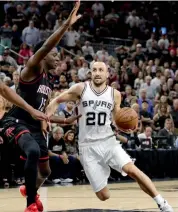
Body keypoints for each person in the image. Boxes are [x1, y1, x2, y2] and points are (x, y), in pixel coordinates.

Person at [46, 61, 173, 212]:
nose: (97, 73)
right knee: (104, 196)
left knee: (133, 171)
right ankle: (104, 169)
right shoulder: (81, 88)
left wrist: (127, 127)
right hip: (87, 147)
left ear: (107, 74)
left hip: (108, 142)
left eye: (101, 70)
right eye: (94, 70)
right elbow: (56, 100)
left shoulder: (115, 94)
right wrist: (46, 117)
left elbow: (117, 119)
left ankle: (162, 203)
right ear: (91, 73)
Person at [1, 1, 81, 212]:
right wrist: (65, 26)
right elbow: (46, 46)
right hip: (16, 120)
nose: (58, 59)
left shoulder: (48, 81)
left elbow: (42, 114)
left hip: (34, 125)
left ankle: (29, 189)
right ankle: (29, 205)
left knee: (45, 172)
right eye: (55, 55)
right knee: (33, 152)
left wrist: (66, 120)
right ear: (43, 56)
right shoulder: (31, 69)